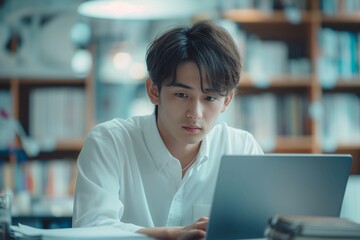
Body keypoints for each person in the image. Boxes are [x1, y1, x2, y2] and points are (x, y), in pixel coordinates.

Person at [72, 20, 263, 240]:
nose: (195, 113)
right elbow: (90, 229)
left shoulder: (241, 149)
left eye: (209, 98)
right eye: (182, 95)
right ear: (154, 90)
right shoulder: (110, 142)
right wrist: (172, 235)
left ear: (227, 100)